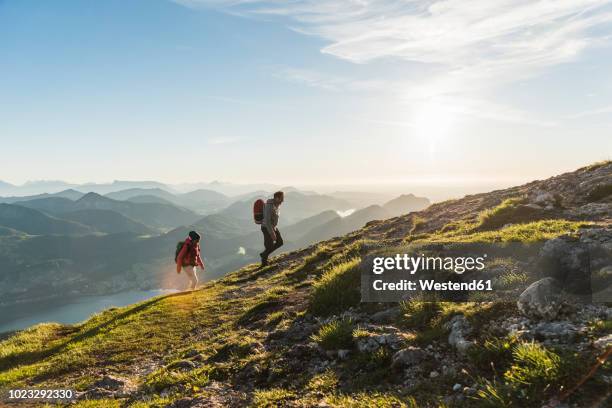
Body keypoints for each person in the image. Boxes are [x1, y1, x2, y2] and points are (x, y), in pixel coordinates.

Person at [260, 191, 284, 266]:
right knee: (269, 246)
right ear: (276, 198)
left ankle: (264, 254)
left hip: (273, 227)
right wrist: (272, 233)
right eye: (281, 198)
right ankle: (264, 264)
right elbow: (267, 221)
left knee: (279, 242)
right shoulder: (269, 206)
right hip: (266, 228)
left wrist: (274, 229)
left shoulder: (276, 205)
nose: (283, 200)